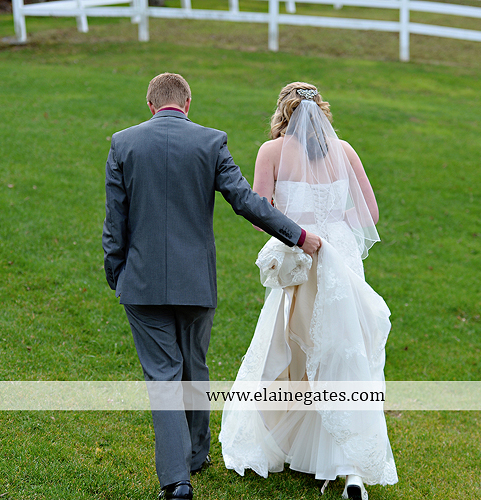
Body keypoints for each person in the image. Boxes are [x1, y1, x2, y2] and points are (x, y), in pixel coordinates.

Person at [102, 73, 322, 500]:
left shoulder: (123, 144)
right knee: (194, 364)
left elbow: (115, 222)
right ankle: (196, 454)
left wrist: (117, 274)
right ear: (187, 103)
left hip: (142, 282)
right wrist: (297, 235)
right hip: (196, 281)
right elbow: (246, 201)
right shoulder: (210, 142)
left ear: (151, 105)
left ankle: (177, 480)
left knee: (163, 377)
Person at [219, 82, 398, 499]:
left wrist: (297, 225)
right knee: (342, 348)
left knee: (291, 345)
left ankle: (290, 441)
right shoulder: (345, 150)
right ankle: (347, 464)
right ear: (321, 112)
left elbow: (259, 214)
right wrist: (333, 222)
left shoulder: (271, 151)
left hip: (299, 253)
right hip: (341, 258)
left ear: (283, 112)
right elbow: (369, 212)